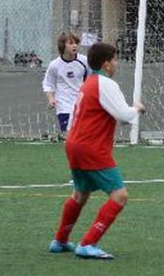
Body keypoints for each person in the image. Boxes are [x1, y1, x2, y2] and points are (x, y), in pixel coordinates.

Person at [49, 42, 145, 259]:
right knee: (120, 196)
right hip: (92, 147)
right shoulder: (106, 84)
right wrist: (136, 108)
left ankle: (60, 240)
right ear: (107, 64)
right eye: (115, 60)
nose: (117, 63)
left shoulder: (88, 83)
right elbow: (124, 115)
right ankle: (88, 243)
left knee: (80, 194)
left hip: (74, 143)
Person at [42, 31, 89, 136]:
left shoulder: (84, 61)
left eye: (76, 43)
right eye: (71, 43)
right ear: (63, 45)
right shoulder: (54, 65)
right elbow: (48, 83)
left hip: (81, 102)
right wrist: (51, 98)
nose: (74, 46)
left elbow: (92, 78)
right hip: (63, 104)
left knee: (83, 135)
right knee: (70, 135)